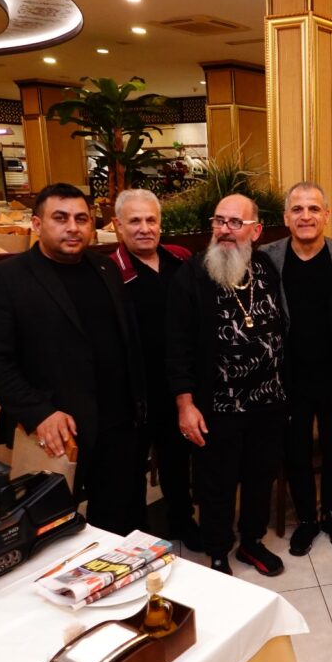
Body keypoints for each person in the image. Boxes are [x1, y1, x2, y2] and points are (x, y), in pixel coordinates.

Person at [0, 182, 147, 536]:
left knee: (116, 525)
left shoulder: (105, 268)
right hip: (57, 429)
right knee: (51, 530)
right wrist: (40, 413)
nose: (73, 227)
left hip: (117, 424)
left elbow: (126, 340)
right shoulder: (6, 278)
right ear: (37, 224)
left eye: (81, 219)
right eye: (60, 218)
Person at [165, 194, 287, 577]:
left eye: (235, 223)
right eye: (219, 221)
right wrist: (185, 404)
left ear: (256, 230)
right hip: (218, 405)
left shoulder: (265, 266)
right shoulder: (192, 274)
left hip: (267, 401)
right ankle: (218, 551)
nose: (225, 230)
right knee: (216, 484)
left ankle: (251, 542)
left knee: (259, 479)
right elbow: (176, 345)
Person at [260, 182, 332, 557]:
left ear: (326, 215)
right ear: (286, 217)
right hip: (289, 373)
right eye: (297, 209)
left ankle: (330, 513)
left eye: (314, 209)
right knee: (295, 448)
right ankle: (306, 519)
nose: (306, 216)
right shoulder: (267, 257)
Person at [109, 188, 200, 551]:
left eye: (151, 220)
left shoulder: (180, 260)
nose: (144, 228)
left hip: (177, 386)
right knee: (132, 467)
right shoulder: (109, 271)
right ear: (118, 226)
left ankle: (182, 521)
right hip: (133, 392)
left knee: (177, 460)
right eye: (135, 221)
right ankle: (138, 536)